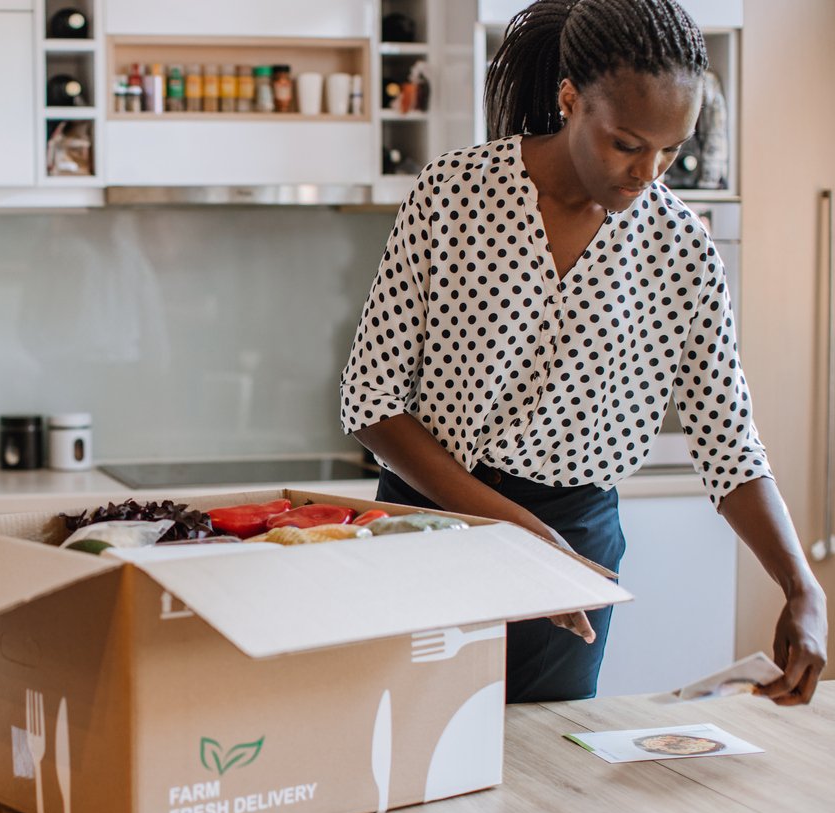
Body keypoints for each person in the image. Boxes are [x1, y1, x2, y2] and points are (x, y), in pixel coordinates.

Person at [340, 0, 826, 704]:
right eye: (627, 144)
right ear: (571, 100)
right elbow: (371, 404)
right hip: (436, 522)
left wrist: (800, 585)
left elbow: (728, 442)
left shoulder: (681, 248)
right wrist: (522, 534)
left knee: (541, 778)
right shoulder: (452, 195)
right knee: (409, 754)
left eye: (671, 150)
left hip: (574, 537)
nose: (649, 172)